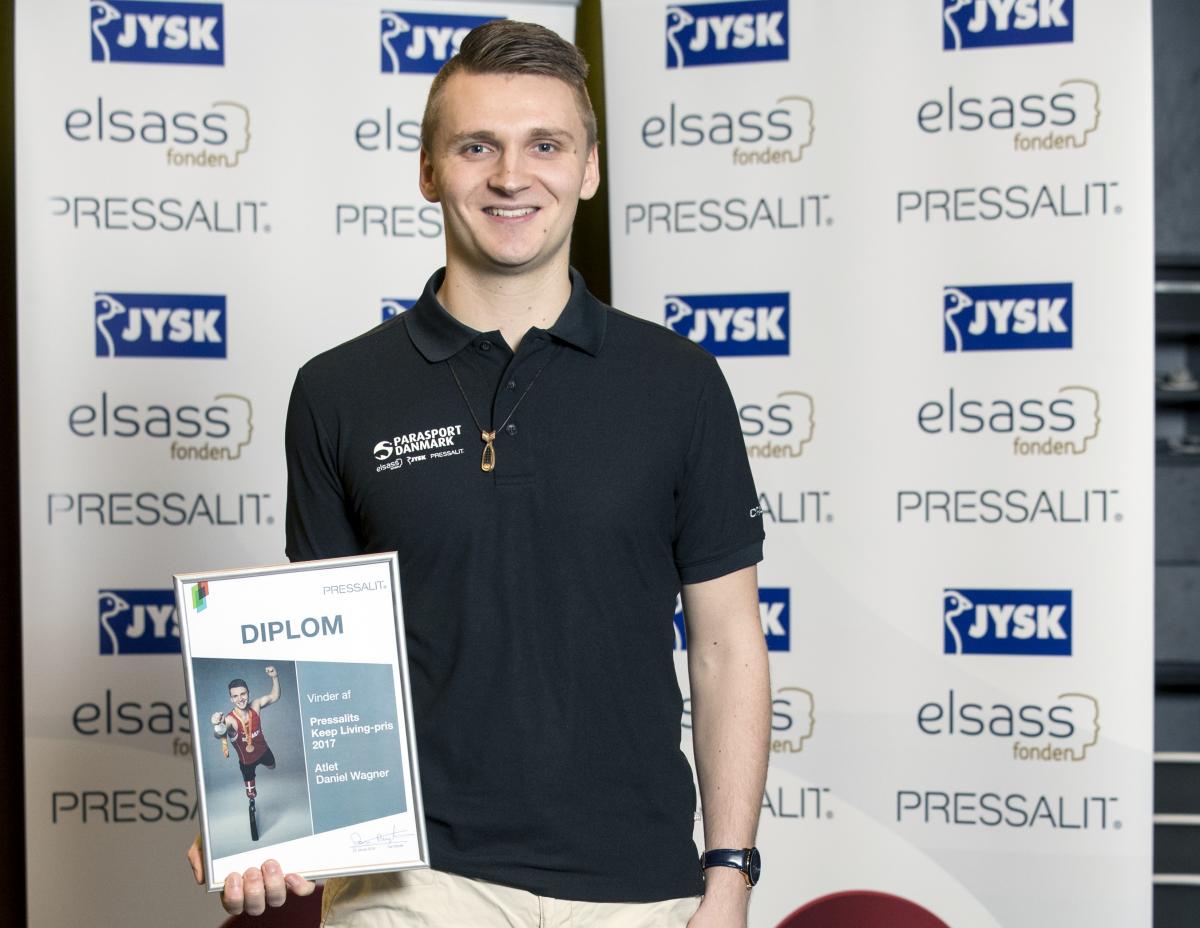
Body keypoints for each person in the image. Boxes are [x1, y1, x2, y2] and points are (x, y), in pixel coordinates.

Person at [189, 20, 770, 927]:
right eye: (476, 146)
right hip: (411, 884)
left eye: (546, 144)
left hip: (639, 886)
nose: (511, 175)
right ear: (428, 171)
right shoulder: (338, 391)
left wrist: (728, 875)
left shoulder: (679, 385)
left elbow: (728, 645)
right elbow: (318, 659)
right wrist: (255, 824)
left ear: (589, 169)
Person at [211, 666, 280, 801]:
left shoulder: (255, 705)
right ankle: (252, 798)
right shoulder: (230, 719)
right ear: (231, 699)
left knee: (273, 766)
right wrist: (217, 725)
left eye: (243, 694)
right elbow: (219, 734)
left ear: (248, 693)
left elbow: (275, 696)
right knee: (251, 795)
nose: (240, 699)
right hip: (247, 762)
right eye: (235, 696)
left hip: (263, 751)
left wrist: (274, 677)